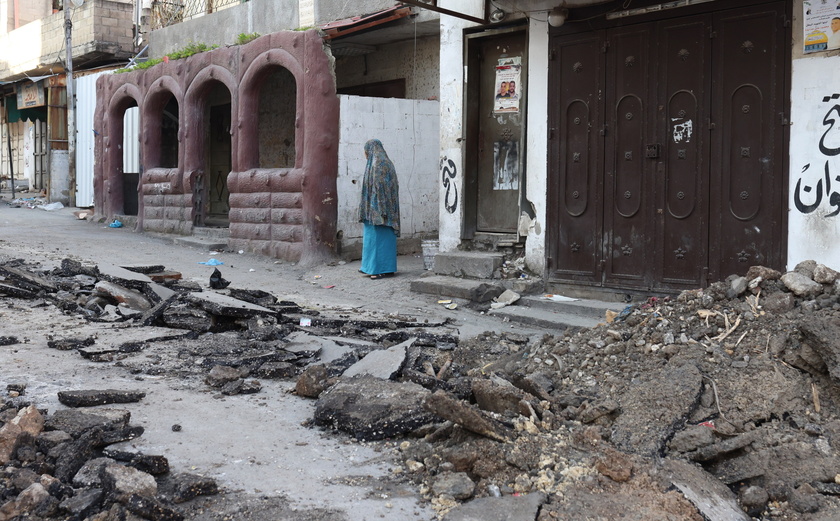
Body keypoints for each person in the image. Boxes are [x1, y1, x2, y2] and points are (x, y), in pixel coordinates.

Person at [359, 139, 400, 279]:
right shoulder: (384, 163)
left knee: (378, 240)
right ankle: (371, 267)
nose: (365, 155)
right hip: (379, 210)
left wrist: (380, 210)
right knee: (374, 239)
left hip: (379, 211)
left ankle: (379, 269)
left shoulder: (378, 165)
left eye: (365, 152)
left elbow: (380, 189)